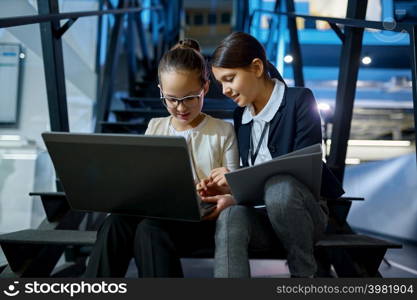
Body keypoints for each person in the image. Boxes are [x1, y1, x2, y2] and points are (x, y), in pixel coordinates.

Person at [84, 39, 239, 277]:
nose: (180, 107)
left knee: (149, 229)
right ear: (160, 92)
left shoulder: (223, 131)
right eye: (171, 99)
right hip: (159, 213)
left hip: (201, 219)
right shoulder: (155, 126)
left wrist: (223, 187)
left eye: (189, 98)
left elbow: (234, 189)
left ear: (205, 88)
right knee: (115, 222)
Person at [197, 32, 344, 278]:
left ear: (256, 67)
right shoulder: (241, 116)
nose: (224, 90)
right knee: (232, 214)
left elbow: (300, 172)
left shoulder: (299, 100)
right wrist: (230, 188)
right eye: (221, 82)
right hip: (262, 215)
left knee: (280, 188)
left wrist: (237, 175)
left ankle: (304, 275)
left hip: (305, 214)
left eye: (230, 79)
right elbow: (253, 178)